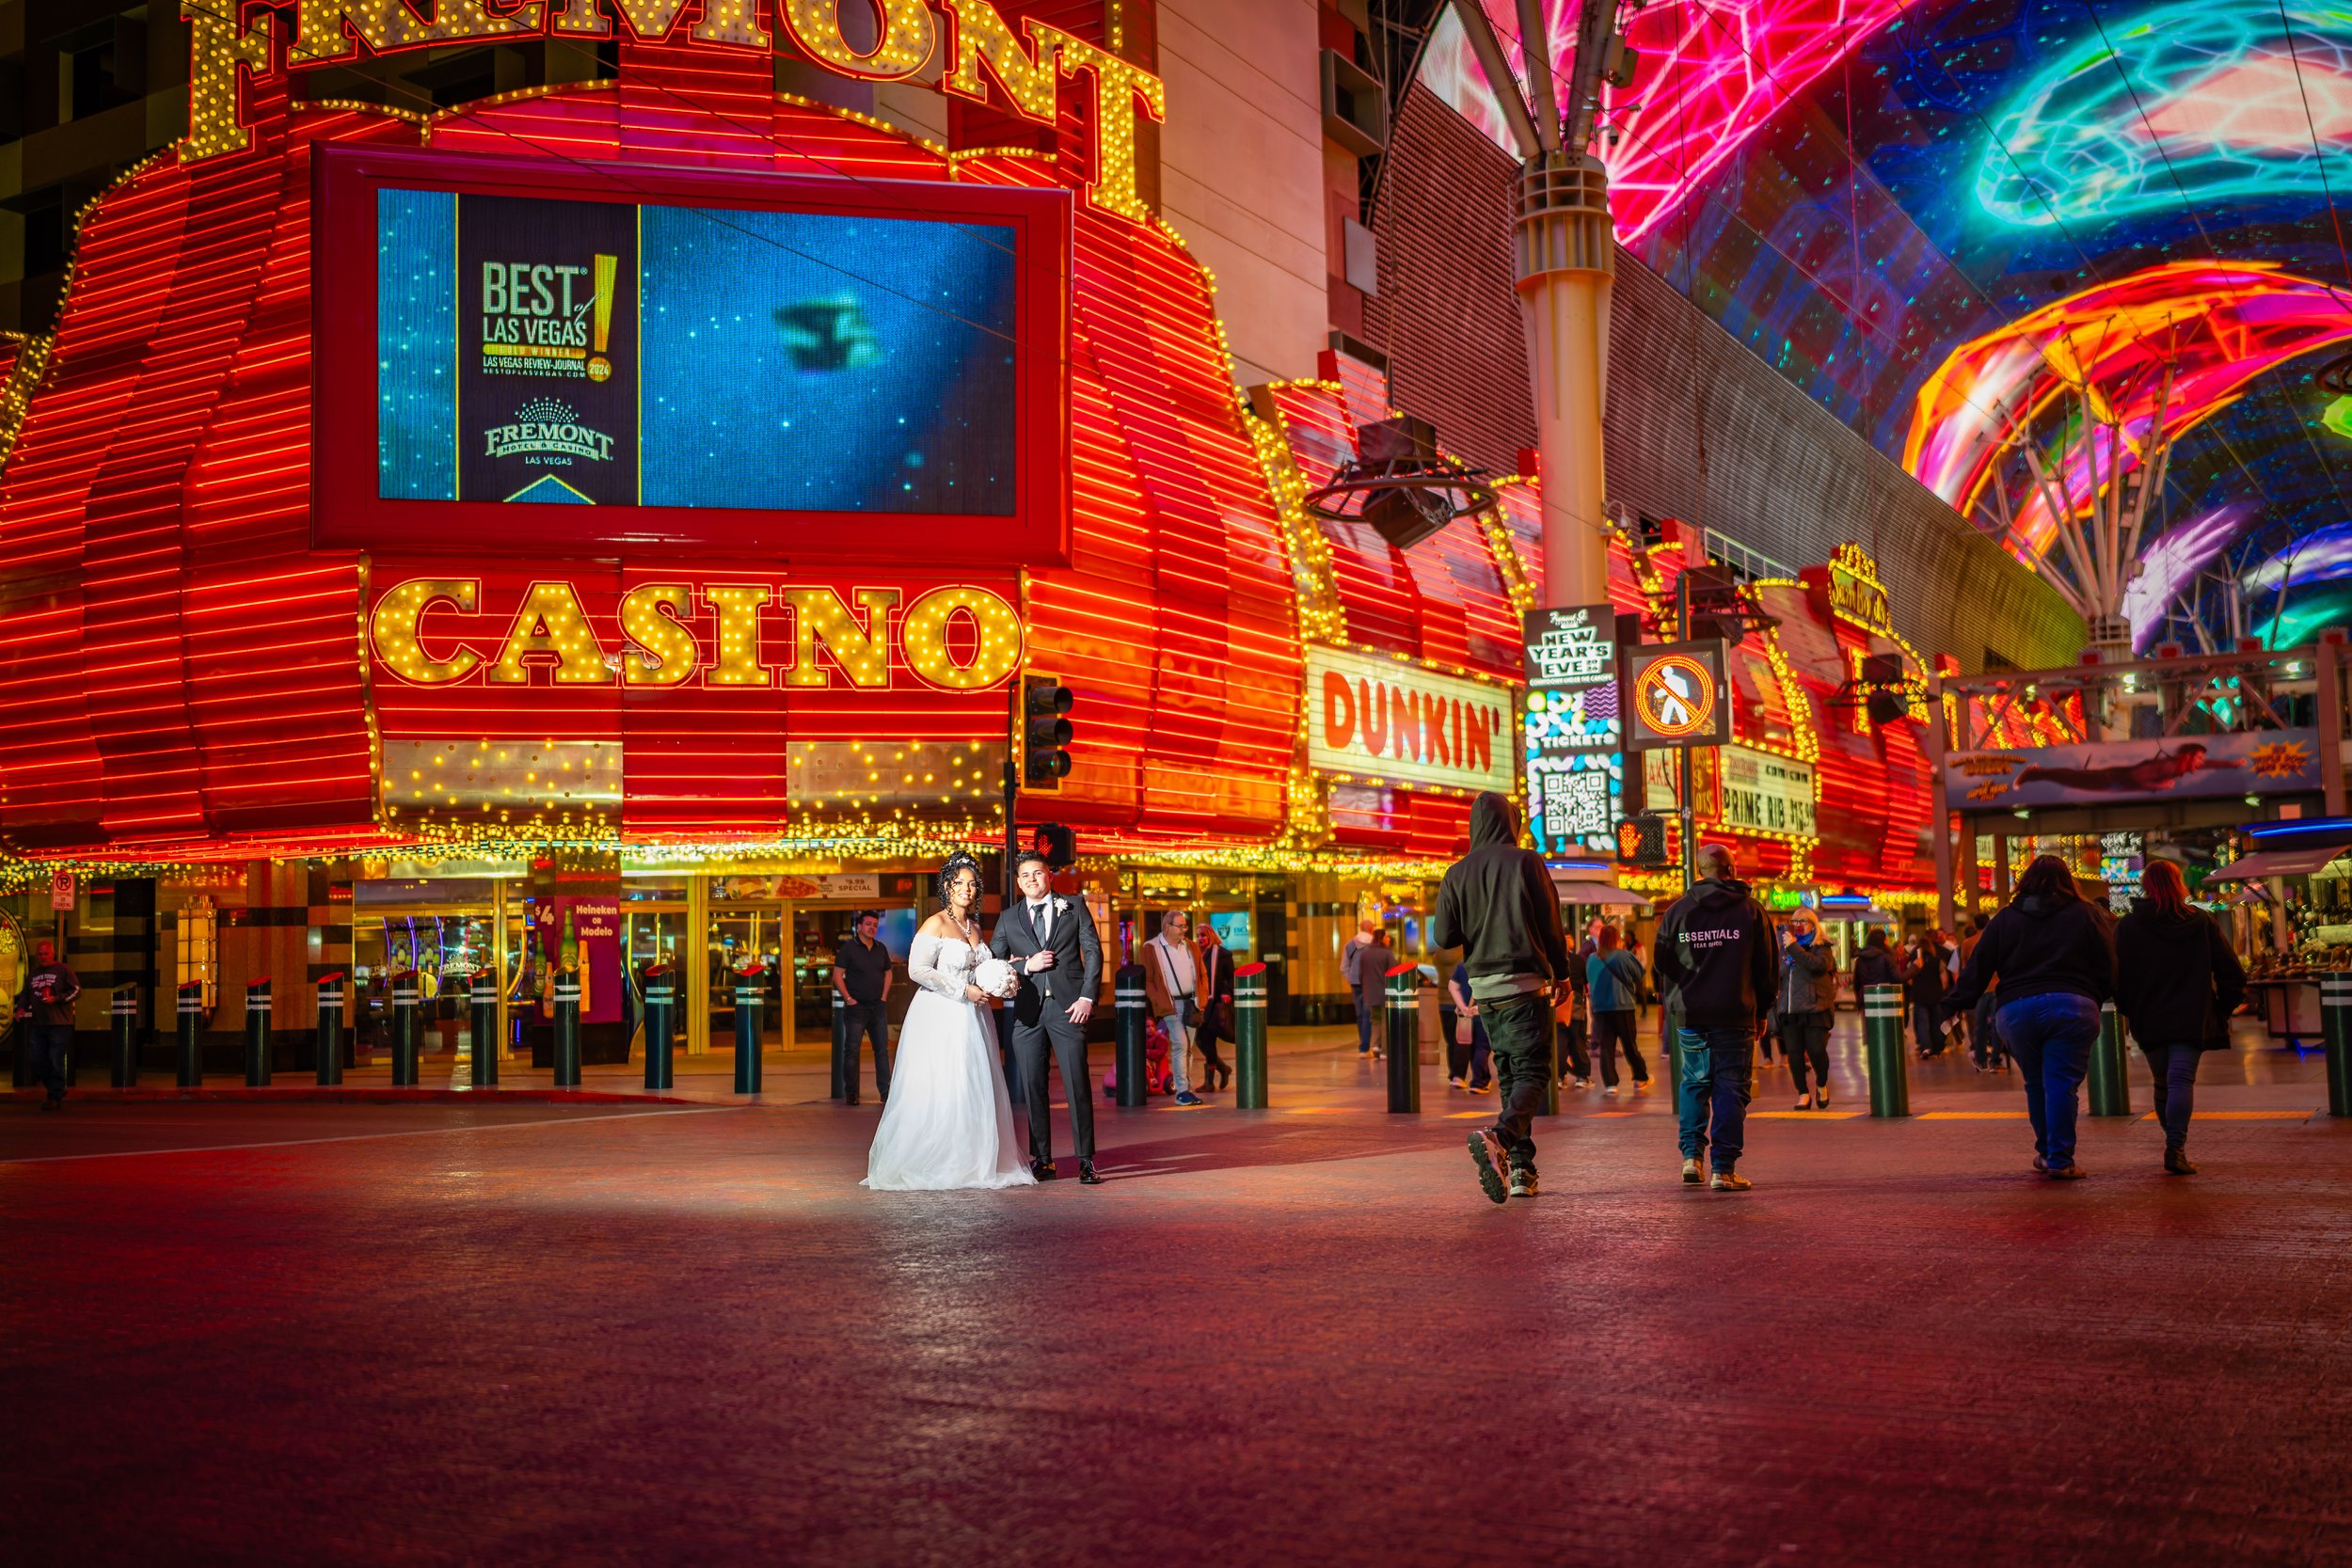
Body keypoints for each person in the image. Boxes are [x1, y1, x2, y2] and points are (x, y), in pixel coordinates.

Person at [862, 854, 1035, 1191]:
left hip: (974, 1017)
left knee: (973, 1084)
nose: (967, 889)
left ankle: (974, 1159)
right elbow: (917, 970)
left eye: (972, 884)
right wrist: (962, 989)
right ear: (946, 886)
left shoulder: (974, 926)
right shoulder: (935, 923)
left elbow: (979, 965)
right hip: (942, 1012)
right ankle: (941, 1159)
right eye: (959, 883)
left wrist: (997, 973)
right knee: (946, 1084)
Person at [1434, 792, 1571, 1203]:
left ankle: (1521, 1170)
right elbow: (1549, 919)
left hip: (1486, 991)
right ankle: (1500, 1137)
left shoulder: (1456, 873)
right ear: (1510, 823)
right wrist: (1562, 973)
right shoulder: (1527, 861)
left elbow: (1444, 937)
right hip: (1524, 983)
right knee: (1533, 1073)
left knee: (1511, 1076)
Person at [1945, 855, 2116, 1180]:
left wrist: (1954, 1003)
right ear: (2069, 881)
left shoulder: (2005, 919)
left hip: (2017, 1009)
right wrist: (2098, 993)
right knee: (2062, 1084)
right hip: (2072, 1005)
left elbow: (1978, 968)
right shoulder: (2085, 915)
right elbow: (2108, 960)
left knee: (2036, 1083)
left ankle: (2045, 1151)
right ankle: (2060, 1158)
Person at [1654, 843, 1776, 1192]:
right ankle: (1723, 1168)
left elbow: (1661, 964)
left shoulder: (1676, 913)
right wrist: (1762, 1010)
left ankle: (1691, 1158)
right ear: (1731, 870)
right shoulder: (1750, 912)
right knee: (1730, 1088)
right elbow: (1766, 969)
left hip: (1691, 1013)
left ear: (1700, 871)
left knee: (1694, 1083)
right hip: (1735, 1012)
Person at [2115, 858, 2246, 1175]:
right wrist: (2220, 1009)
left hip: (2149, 1016)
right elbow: (2231, 971)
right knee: (2181, 1081)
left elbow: (2117, 975)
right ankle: (2175, 1147)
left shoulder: (2129, 926)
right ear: (2179, 884)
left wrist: (2129, 1008)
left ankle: (2173, 1143)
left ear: (2146, 886)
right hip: (2191, 1015)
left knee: (2163, 1083)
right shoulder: (2200, 922)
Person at [990, 849, 1105, 1181]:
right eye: (1025, 876)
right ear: (1018, 881)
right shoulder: (1009, 917)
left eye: (1037, 874)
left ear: (1049, 876)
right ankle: (1043, 1159)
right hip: (1027, 1012)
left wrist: (1087, 996)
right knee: (1032, 1087)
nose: (1031, 880)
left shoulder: (1074, 906)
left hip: (1069, 1008)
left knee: (1076, 1084)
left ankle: (1086, 1160)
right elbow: (993, 962)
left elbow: (1093, 952)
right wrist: (1026, 965)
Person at [1775, 909, 1837, 1110]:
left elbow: (1818, 966)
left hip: (1815, 1007)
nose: (1799, 924)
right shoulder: (1785, 948)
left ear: (1813, 924)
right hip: (1790, 1008)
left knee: (1816, 1050)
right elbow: (1779, 973)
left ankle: (1821, 1084)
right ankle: (1802, 1092)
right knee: (1794, 1053)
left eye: (1804, 921)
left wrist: (1793, 947)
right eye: (1795, 921)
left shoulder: (1821, 946)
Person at [1144, 909, 1207, 1106]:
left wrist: (1202, 997)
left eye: (1185, 926)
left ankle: (1187, 1088)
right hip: (1170, 1004)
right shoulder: (1151, 947)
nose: (1184, 930)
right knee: (1180, 1043)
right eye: (1180, 926)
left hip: (1192, 1004)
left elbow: (1202, 973)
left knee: (1188, 1048)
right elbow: (1149, 979)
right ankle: (1181, 1092)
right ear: (1167, 926)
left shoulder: (1191, 946)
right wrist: (1158, 1000)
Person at [832, 910, 895, 1107]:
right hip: (856, 1008)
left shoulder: (880, 948)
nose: (872, 928)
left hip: (877, 1007)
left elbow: (888, 973)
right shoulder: (848, 948)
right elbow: (837, 975)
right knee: (852, 1050)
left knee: (881, 1051)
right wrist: (849, 999)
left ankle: (885, 1093)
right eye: (868, 924)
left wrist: (884, 997)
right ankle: (852, 1093)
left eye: (875, 925)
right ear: (859, 927)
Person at [14, 938, 80, 1113]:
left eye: (46, 954)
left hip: (59, 1024)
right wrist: (21, 1008)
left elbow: (77, 991)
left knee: (54, 1059)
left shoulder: (63, 970)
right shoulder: (33, 973)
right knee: (36, 1059)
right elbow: (25, 994)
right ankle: (55, 1086)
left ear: (53, 954)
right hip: (39, 1023)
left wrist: (57, 999)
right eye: (40, 954)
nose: (43, 957)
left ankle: (54, 1096)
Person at [1585, 924, 1650, 1097]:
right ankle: (1640, 1077)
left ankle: (1610, 1084)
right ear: (1617, 939)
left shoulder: (1592, 958)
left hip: (1600, 1009)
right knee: (1629, 1044)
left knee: (1607, 1047)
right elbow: (1638, 975)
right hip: (1622, 1006)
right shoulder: (1623, 955)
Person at [1194, 918, 1235, 1093]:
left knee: (1205, 1038)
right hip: (1202, 1003)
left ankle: (1210, 1081)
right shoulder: (1196, 954)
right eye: (1197, 936)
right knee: (1202, 1040)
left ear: (1210, 935)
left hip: (1217, 1002)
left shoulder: (1223, 954)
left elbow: (1231, 977)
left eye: (1203, 935)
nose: (1200, 938)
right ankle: (1222, 1069)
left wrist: (1227, 992)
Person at [1444, 959, 1494, 1093]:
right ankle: (1479, 1082)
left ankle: (1479, 1079)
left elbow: (1452, 986)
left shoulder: (1462, 966)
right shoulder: (1490, 966)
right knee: (1482, 1048)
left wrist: (1463, 1007)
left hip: (1467, 1015)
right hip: (1484, 1013)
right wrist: (1480, 1008)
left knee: (1470, 1047)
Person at [1342, 916, 1381, 1057]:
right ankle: (1365, 1048)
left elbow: (1343, 967)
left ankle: (1362, 1047)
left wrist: (1351, 977)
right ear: (1371, 929)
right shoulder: (1374, 945)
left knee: (1360, 1015)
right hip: (1369, 983)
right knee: (1367, 1015)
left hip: (1355, 984)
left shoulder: (1349, 945)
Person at [1905, 930, 1948, 1059]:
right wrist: (1941, 989)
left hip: (1920, 996)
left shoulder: (1915, 962)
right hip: (1936, 995)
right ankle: (1936, 1048)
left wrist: (1916, 986)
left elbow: (1908, 978)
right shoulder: (1938, 961)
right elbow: (1944, 980)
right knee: (1936, 1021)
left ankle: (1926, 1047)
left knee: (1922, 1022)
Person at [1355, 924, 1395, 1061]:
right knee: (1385, 1021)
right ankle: (1384, 1051)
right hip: (1385, 993)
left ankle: (1375, 1045)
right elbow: (1393, 973)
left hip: (1369, 993)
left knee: (1375, 1020)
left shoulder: (1365, 953)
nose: (1388, 939)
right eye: (1386, 937)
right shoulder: (1387, 953)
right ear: (1381, 938)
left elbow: (1360, 974)